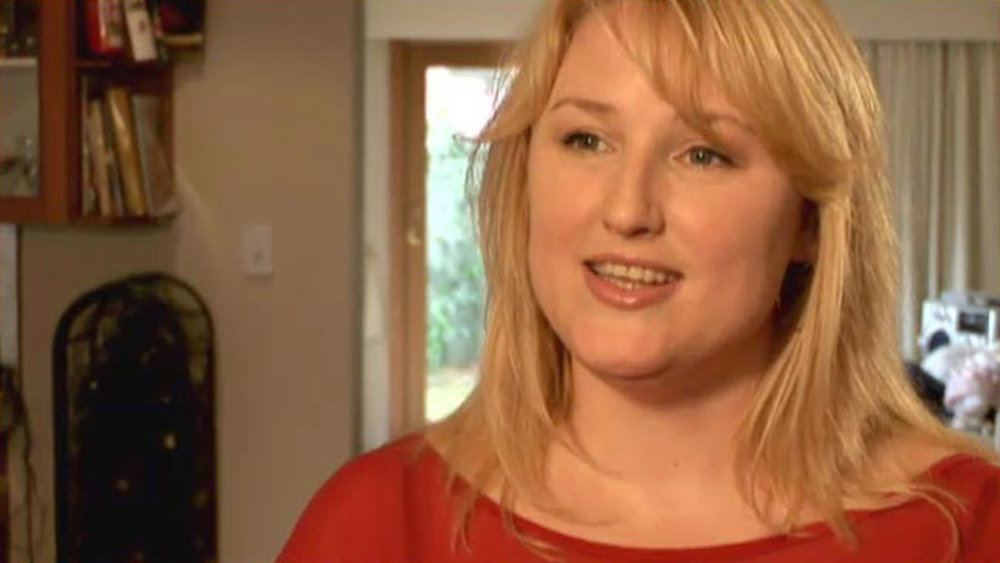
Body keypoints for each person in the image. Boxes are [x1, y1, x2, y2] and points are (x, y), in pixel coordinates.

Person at [277, 1, 1000, 561]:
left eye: (704, 154)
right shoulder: (376, 523)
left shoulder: (968, 528)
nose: (627, 210)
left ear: (809, 220)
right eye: (586, 140)